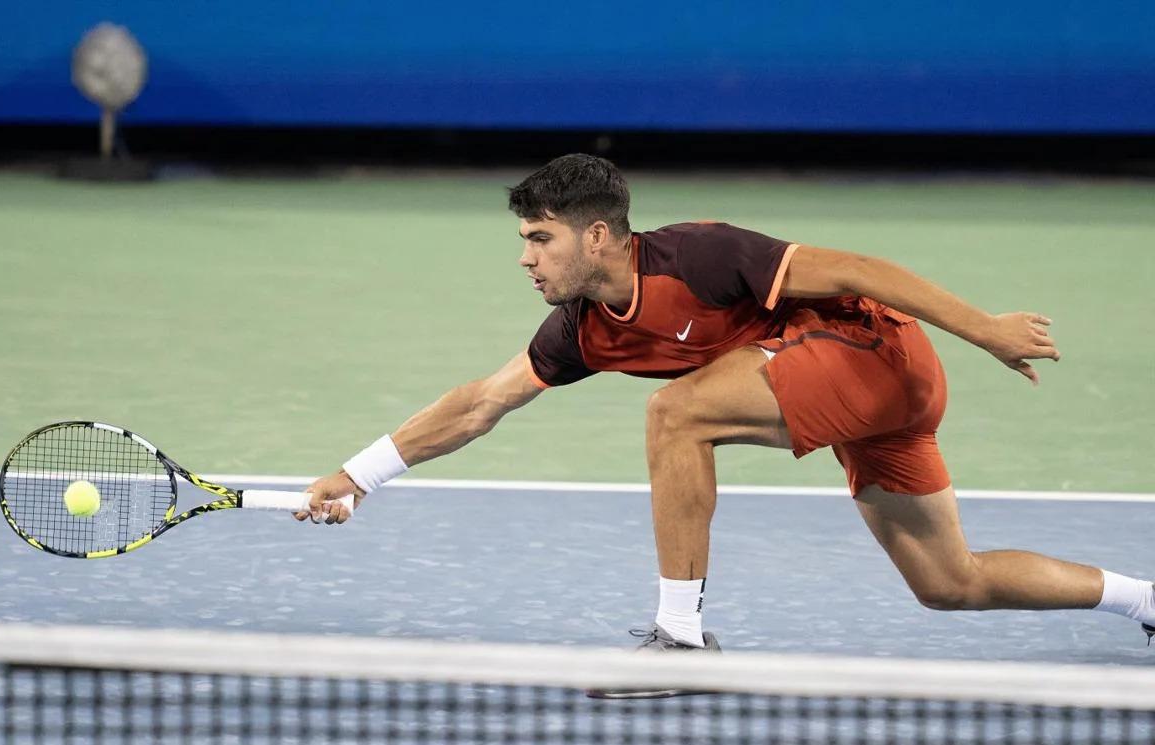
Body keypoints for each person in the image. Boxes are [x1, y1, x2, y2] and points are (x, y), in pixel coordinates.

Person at [297, 154, 1153, 685]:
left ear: (598, 236)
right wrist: (358, 473)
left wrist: (986, 331)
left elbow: (858, 265)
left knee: (678, 414)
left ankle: (679, 635)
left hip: (874, 352)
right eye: (523, 240)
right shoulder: (583, 331)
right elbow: (482, 402)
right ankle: (1141, 599)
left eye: (540, 238)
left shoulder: (699, 255)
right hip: (860, 406)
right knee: (949, 583)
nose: (526, 258)